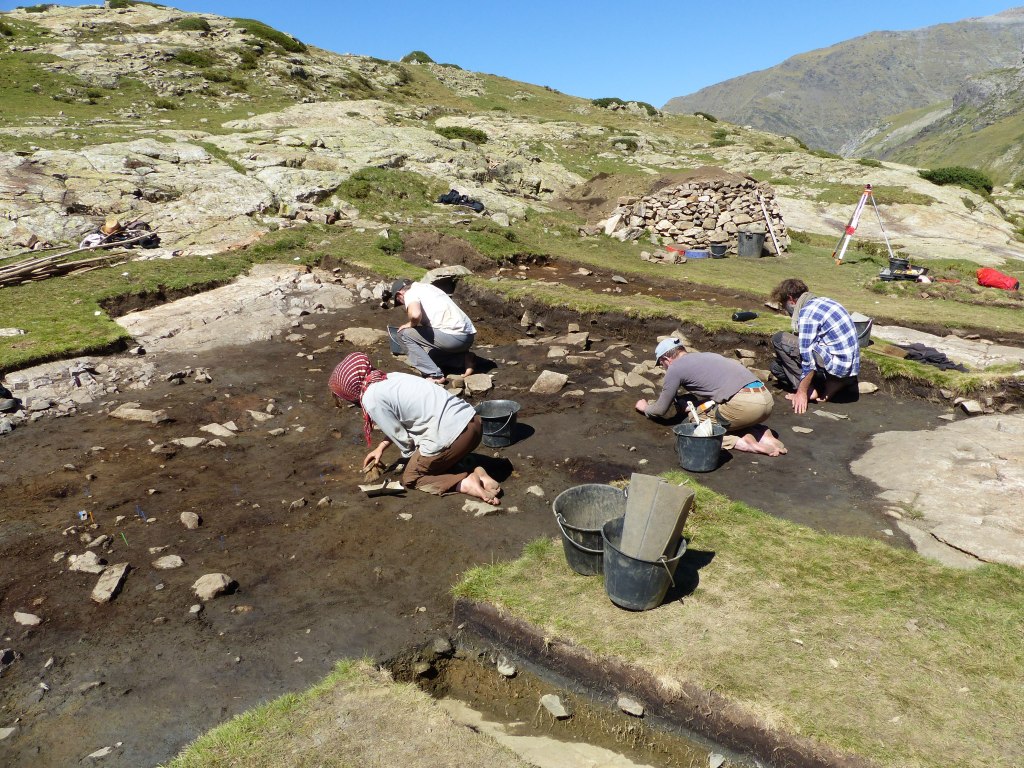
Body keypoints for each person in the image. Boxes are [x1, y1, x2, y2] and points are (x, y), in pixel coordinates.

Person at [329, 352, 501, 504]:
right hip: (474, 424)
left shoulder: (371, 398)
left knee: (412, 477)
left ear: (350, 389)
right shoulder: (388, 377)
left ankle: (466, 482)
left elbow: (406, 444)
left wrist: (412, 462)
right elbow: (405, 417)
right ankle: (478, 470)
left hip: (455, 436)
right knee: (433, 454)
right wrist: (381, 447)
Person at [634, 338, 787, 456]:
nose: (664, 368)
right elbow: (718, 394)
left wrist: (646, 408)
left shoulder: (675, 368)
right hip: (765, 399)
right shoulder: (708, 356)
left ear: (666, 360)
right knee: (721, 412)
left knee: (696, 420)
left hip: (745, 405)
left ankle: (742, 442)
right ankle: (761, 433)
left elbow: (660, 410)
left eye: (662, 364)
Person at [769, 278, 860, 414]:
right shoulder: (825, 301)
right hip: (847, 366)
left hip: (836, 365)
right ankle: (836, 383)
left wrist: (801, 391)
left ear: (791, 299)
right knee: (777, 367)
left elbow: (808, 358)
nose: (786, 311)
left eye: (784, 305)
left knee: (779, 339)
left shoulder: (807, 313)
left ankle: (810, 390)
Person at [389, 278, 476, 383]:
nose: (403, 304)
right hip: (468, 337)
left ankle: (434, 376)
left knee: (403, 334)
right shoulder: (428, 287)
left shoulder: (410, 293)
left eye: (399, 301)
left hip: (453, 338)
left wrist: (411, 324)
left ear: (399, 294)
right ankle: (463, 359)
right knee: (430, 356)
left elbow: (415, 315)